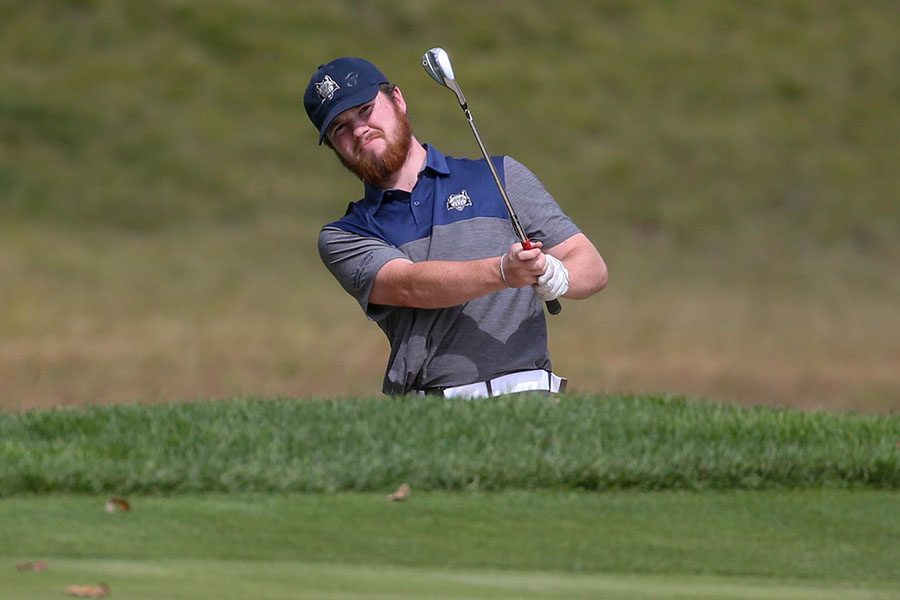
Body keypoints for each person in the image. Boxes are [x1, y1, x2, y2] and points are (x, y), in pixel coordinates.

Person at [305, 56, 607, 398]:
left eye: (365, 109)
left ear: (398, 100)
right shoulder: (346, 235)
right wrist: (504, 272)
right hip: (430, 412)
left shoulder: (499, 176)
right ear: (333, 147)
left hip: (529, 398)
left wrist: (559, 274)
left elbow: (590, 264)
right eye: (340, 128)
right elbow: (409, 286)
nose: (359, 130)